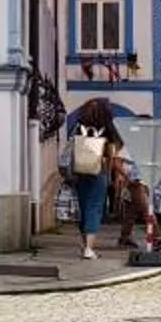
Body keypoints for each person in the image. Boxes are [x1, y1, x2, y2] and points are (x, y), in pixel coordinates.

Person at [66, 100, 115, 259]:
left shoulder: (78, 126)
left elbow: (70, 146)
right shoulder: (108, 128)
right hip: (98, 171)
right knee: (94, 208)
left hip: (79, 171)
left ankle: (85, 245)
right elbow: (112, 152)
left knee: (84, 207)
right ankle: (89, 248)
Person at [104, 132, 159, 252]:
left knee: (132, 212)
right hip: (135, 183)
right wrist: (127, 176)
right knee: (147, 210)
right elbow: (116, 162)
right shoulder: (131, 146)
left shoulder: (146, 146)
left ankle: (125, 237)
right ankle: (156, 238)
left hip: (143, 182)